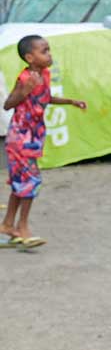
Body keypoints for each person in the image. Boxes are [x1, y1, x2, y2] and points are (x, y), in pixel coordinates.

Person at [1, 35, 86, 247]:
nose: (49, 55)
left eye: (48, 50)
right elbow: (8, 104)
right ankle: (23, 228)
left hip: (34, 135)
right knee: (30, 181)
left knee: (22, 182)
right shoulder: (25, 78)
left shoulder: (44, 74)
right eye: (44, 51)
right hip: (21, 137)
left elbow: (45, 98)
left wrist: (70, 101)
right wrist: (23, 91)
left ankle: (7, 225)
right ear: (30, 57)